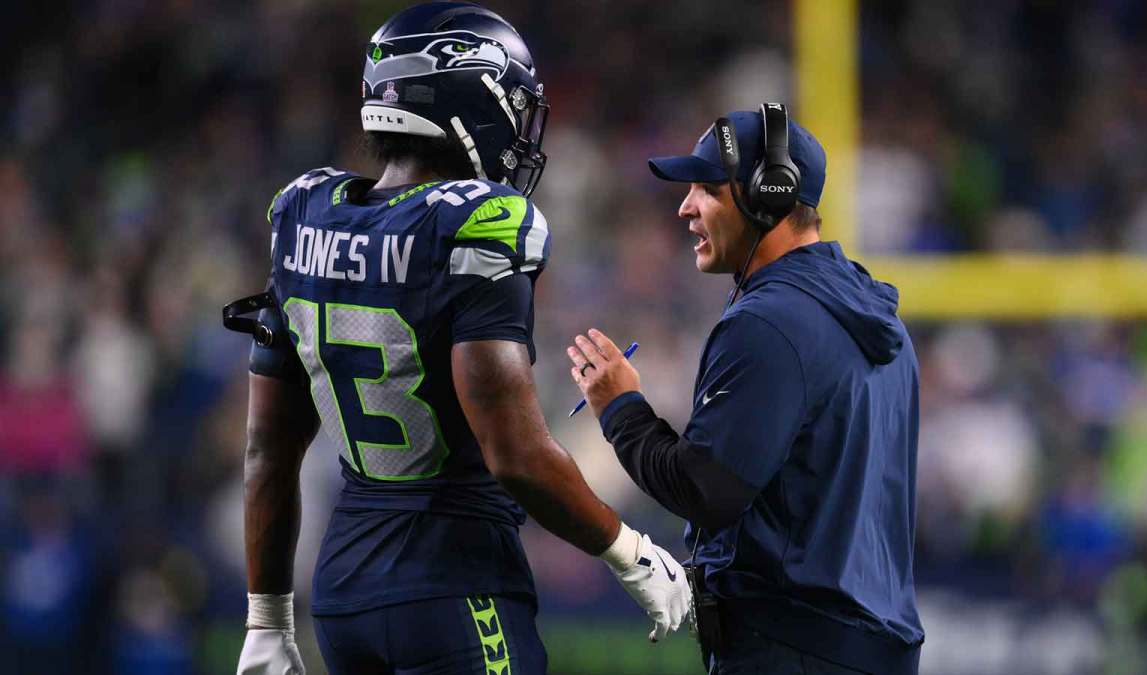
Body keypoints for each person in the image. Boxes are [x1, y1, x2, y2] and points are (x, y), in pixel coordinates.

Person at [226, 3, 690, 674]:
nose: (521, 130)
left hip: (346, 584)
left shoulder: (305, 214)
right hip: (454, 582)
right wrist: (630, 550)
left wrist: (266, 618)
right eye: (513, 104)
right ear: (468, 99)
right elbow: (515, 453)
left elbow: (267, 446)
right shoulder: (475, 222)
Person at [566, 105, 924, 674]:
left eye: (707, 188)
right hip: (864, 648)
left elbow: (705, 490)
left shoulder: (771, 322)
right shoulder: (874, 314)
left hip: (792, 649)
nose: (685, 207)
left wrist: (620, 408)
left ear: (769, 195)